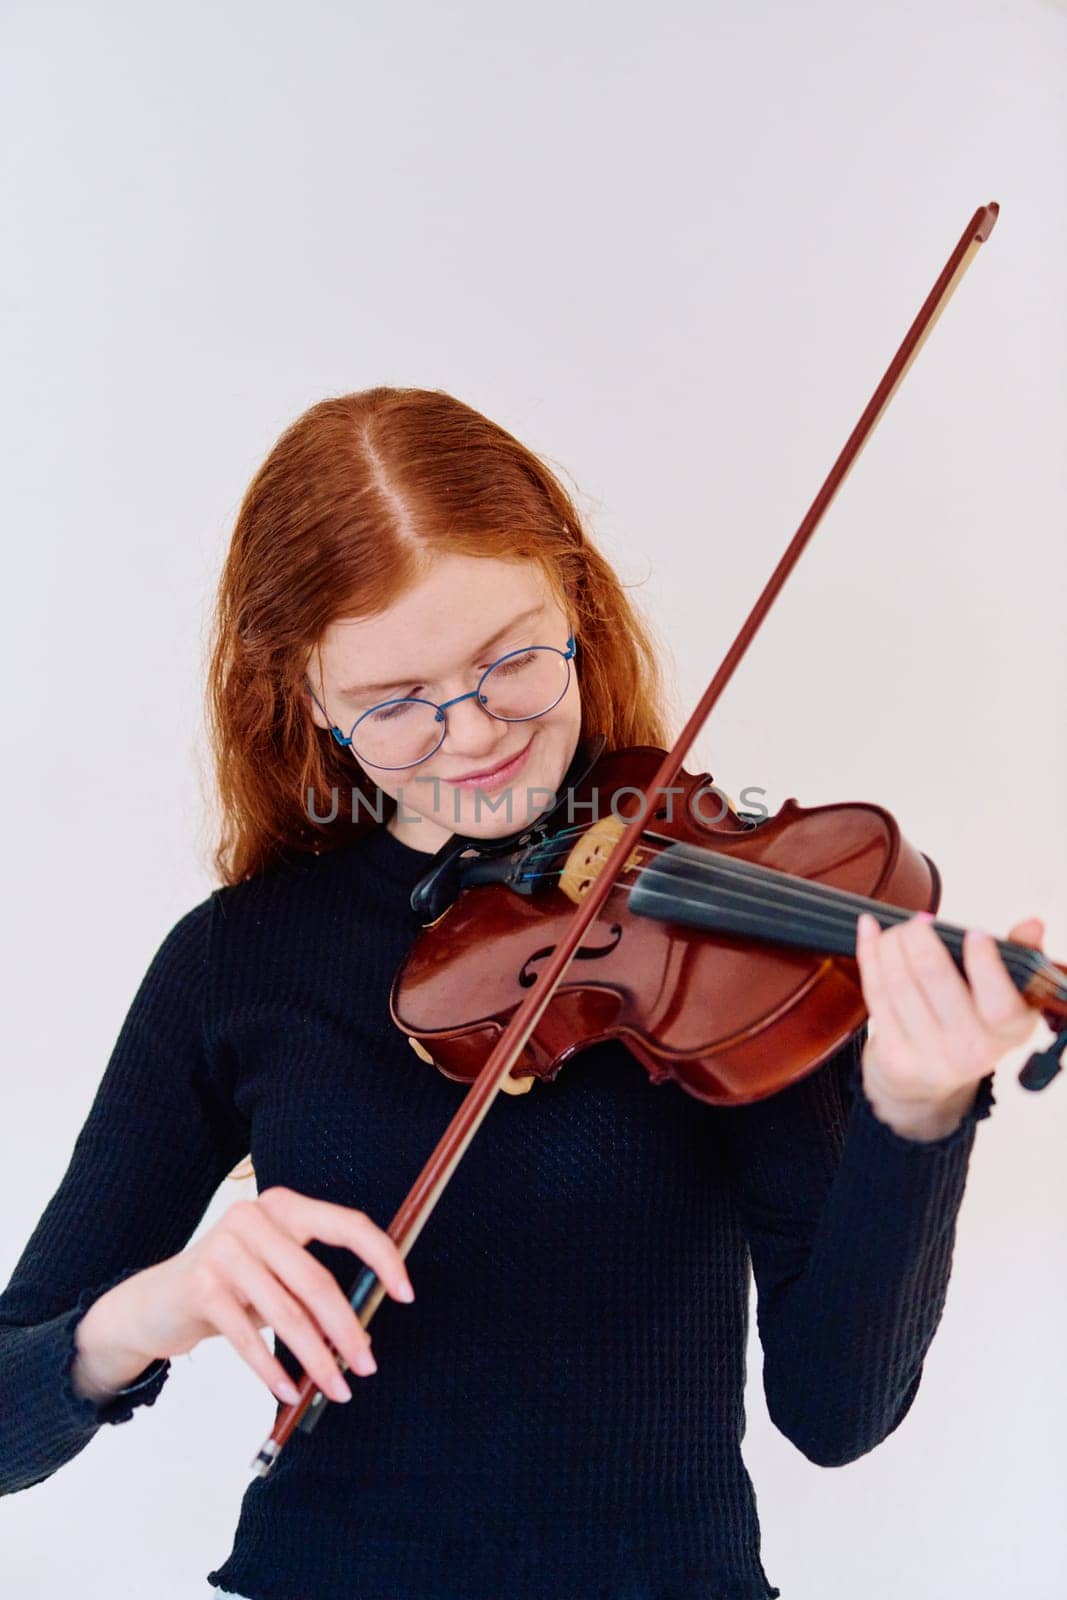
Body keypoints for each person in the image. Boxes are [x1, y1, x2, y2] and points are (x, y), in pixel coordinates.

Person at [0, 387, 1046, 1600]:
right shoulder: (237, 960)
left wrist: (914, 1113)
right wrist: (154, 1306)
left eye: (510, 660)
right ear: (309, 705)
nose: (471, 733)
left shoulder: (717, 936)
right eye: (393, 704)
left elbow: (836, 1411)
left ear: (578, 609)